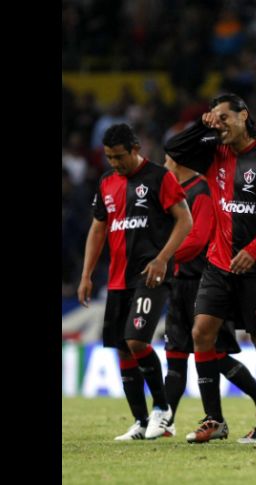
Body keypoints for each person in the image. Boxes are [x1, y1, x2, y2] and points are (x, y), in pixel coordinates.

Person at [164, 93, 256, 444]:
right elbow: (174, 150)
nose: (219, 123)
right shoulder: (214, 152)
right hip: (218, 263)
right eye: (214, 118)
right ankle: (214, 420)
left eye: (225, 117)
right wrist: (200, 125)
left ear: (243, 116)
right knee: (201, 333)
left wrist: (253, 250)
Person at [77, 123, 192, 441]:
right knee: (122, 350)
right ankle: (141, 421)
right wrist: (86, 274)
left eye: (119, 157)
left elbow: (185, 220)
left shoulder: (159, 177)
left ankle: (163, 411)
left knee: (137, 340)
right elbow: (98, 228)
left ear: (135, 149)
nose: (114, 163)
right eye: (109, 158)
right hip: (117, 280)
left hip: (151, 276)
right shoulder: (106, 182)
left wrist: (163, 258)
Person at [161, 155, 256, 436]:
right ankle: (163, 421)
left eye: (167, 159)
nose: (164, 165)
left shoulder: (202, 189)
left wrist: (162, 255)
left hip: (204, 280)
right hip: (178, 282)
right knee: (176, 353)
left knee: (214, 354)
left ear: (177, 161)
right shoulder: (173, 195)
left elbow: (198, 239)